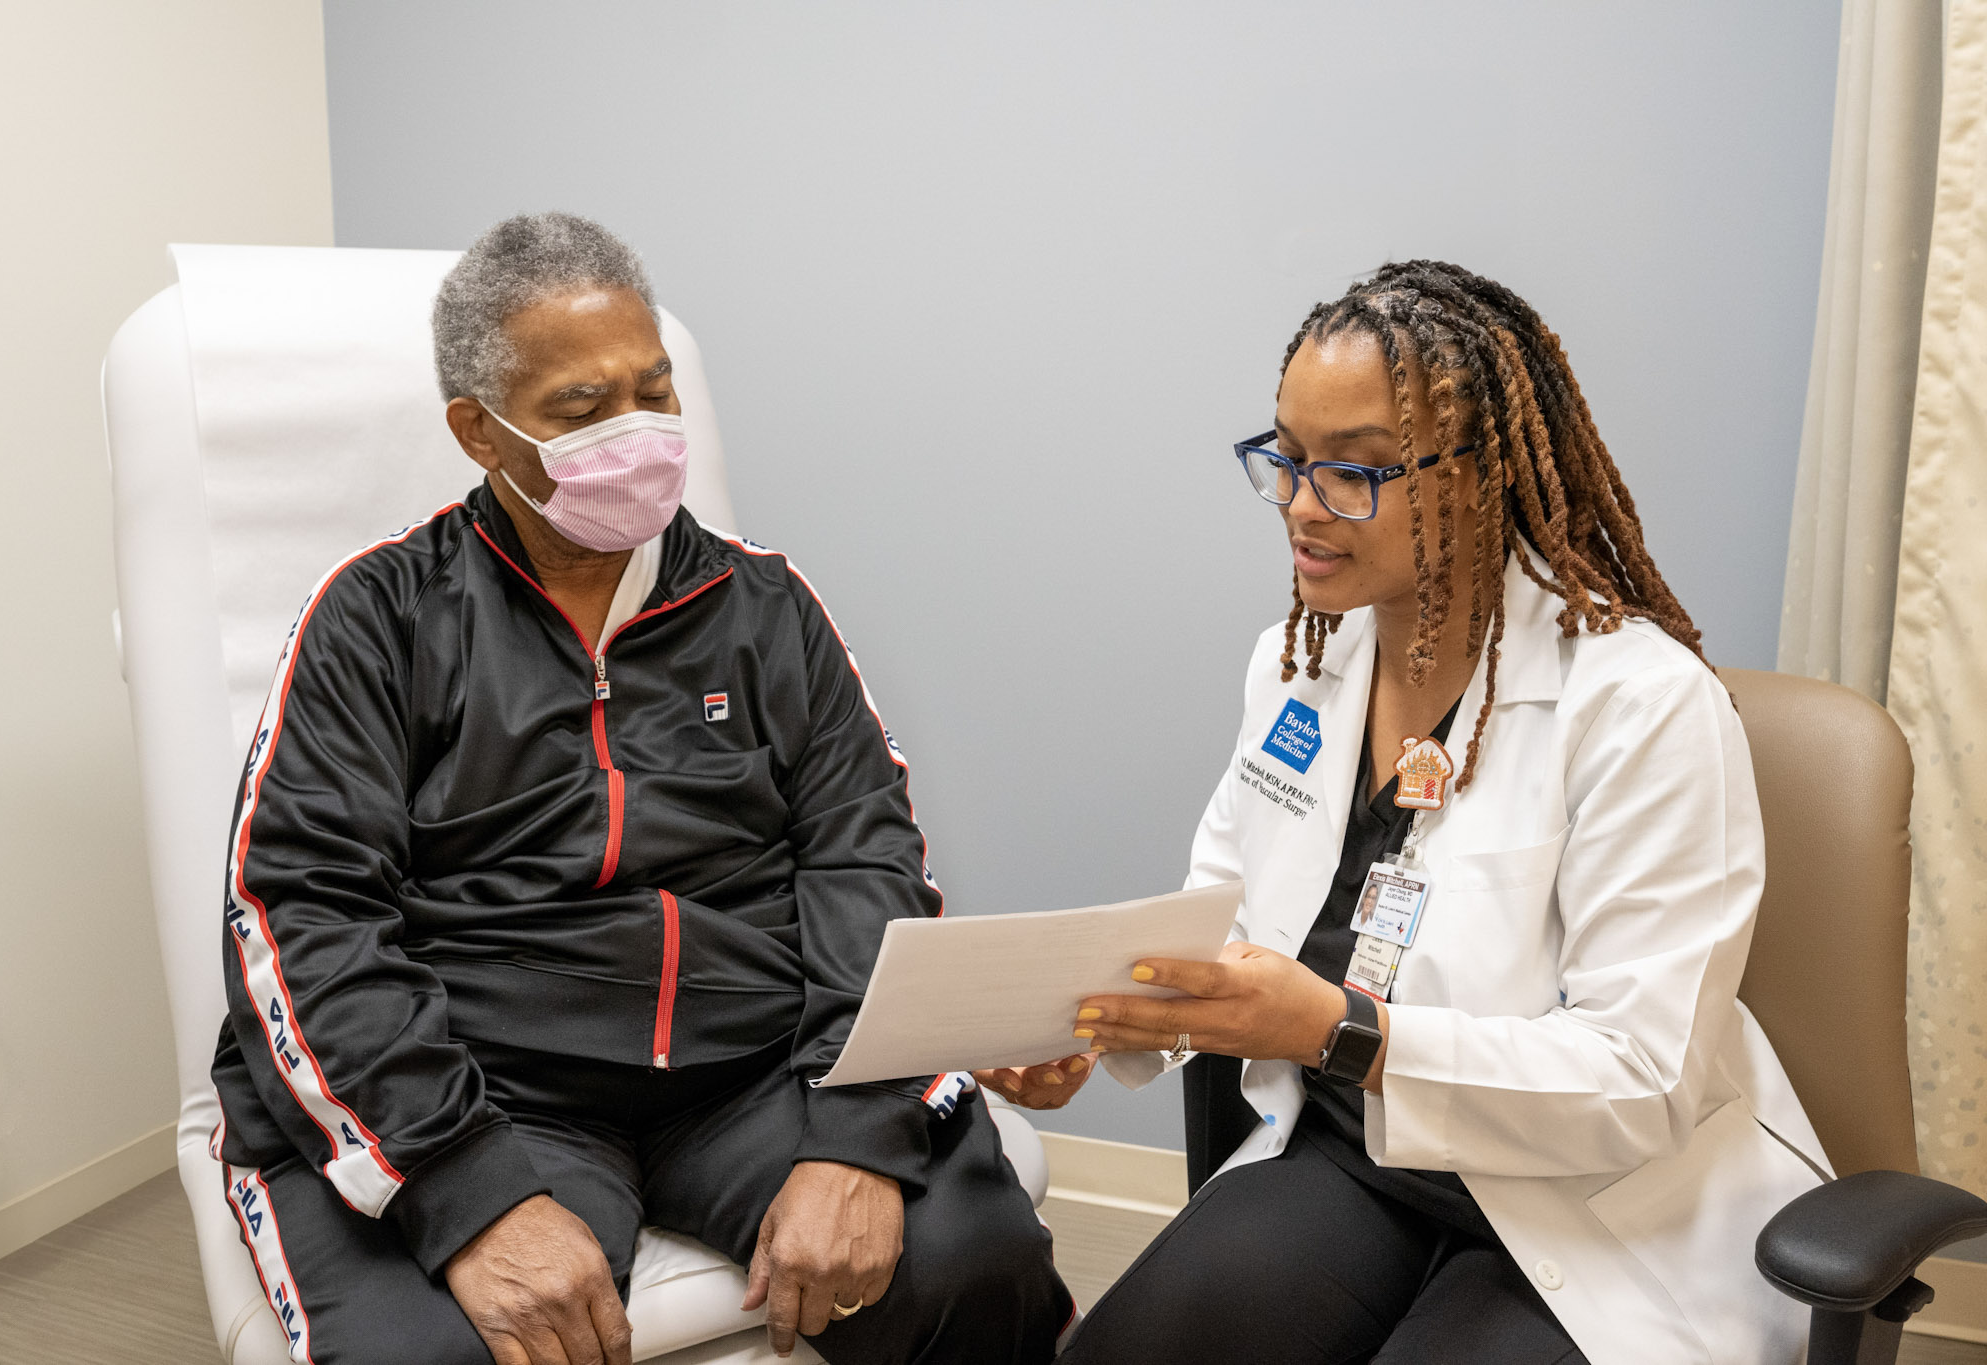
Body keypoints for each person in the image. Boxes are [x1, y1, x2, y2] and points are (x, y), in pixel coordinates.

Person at [211, 212, 1070, 1365]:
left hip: (748, 1071)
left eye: (654, 393)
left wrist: (856, 1137)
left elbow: (868, 865)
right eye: (581, 411)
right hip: (487, 1085)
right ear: (480, 430)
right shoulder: (377, 622)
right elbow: (300, 913)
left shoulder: (766, 610)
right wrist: (466, 1188)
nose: (638, 434)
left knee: (974, 1261)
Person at [980, 261, 1827, 1364]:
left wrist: (1339, 1030)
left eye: (1356, 472)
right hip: (1350, 1158)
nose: (1298, 502)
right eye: (1285, 456)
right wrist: (1105, 1031)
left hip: (1599, 1207)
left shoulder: (1639, 705)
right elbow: (1225, 919)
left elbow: (1638, 1083)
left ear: (1481, 474)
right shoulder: (1300, 664)